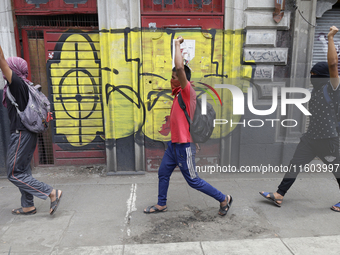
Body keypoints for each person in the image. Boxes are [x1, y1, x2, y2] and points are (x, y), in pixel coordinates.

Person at [143, 36, 232, 216]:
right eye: (172, 76)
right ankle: (162, 204)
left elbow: (180, 67)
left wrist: (177, 45)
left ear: (183, 79)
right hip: (174, 145)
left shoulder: (187, 92)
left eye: (175, 76)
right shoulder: (177, 95)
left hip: (184, 147)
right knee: (163, 173)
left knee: (193, 181)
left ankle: (224, 198)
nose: (172, 78)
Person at [259, 26, 340, 212]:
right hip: (311, 138)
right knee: (295, 164)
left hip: (328, 139)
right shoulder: (316, 91)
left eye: (315, 76)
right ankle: (279, 194)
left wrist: (330, 38)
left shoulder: (333, 88)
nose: (312, 78)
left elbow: (333, 65)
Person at [0, 44, 62, 215]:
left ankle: (51, 192)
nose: (3, 71)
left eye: (6, 68)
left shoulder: (17, 84)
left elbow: (1, 61)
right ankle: (28, 205)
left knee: (13, 173)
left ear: (12, 70)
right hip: (27, 133)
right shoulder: (23, 85)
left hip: (21, 134)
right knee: (23, 170)